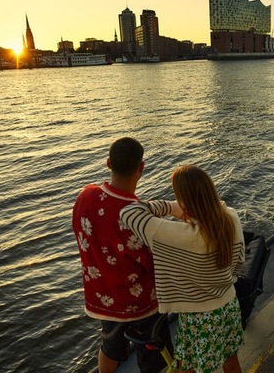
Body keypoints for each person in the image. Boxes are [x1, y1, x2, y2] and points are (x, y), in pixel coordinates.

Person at [120, 165, 245, 373]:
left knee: (187, 367)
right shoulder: (230, 217)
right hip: (228, 305)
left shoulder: (177, 235)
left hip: (198, 317)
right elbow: (239, 261)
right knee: (230, 360)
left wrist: (170, 206)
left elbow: (129, 213)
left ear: (183, 200)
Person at [71, 137, 172, 373]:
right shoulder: (138, 218)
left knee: (110, 348)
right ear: (141, 167)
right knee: (153, 356)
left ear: (108, 163)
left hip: (104, 297)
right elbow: (154, 262)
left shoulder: (85, 196)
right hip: (141, 303)